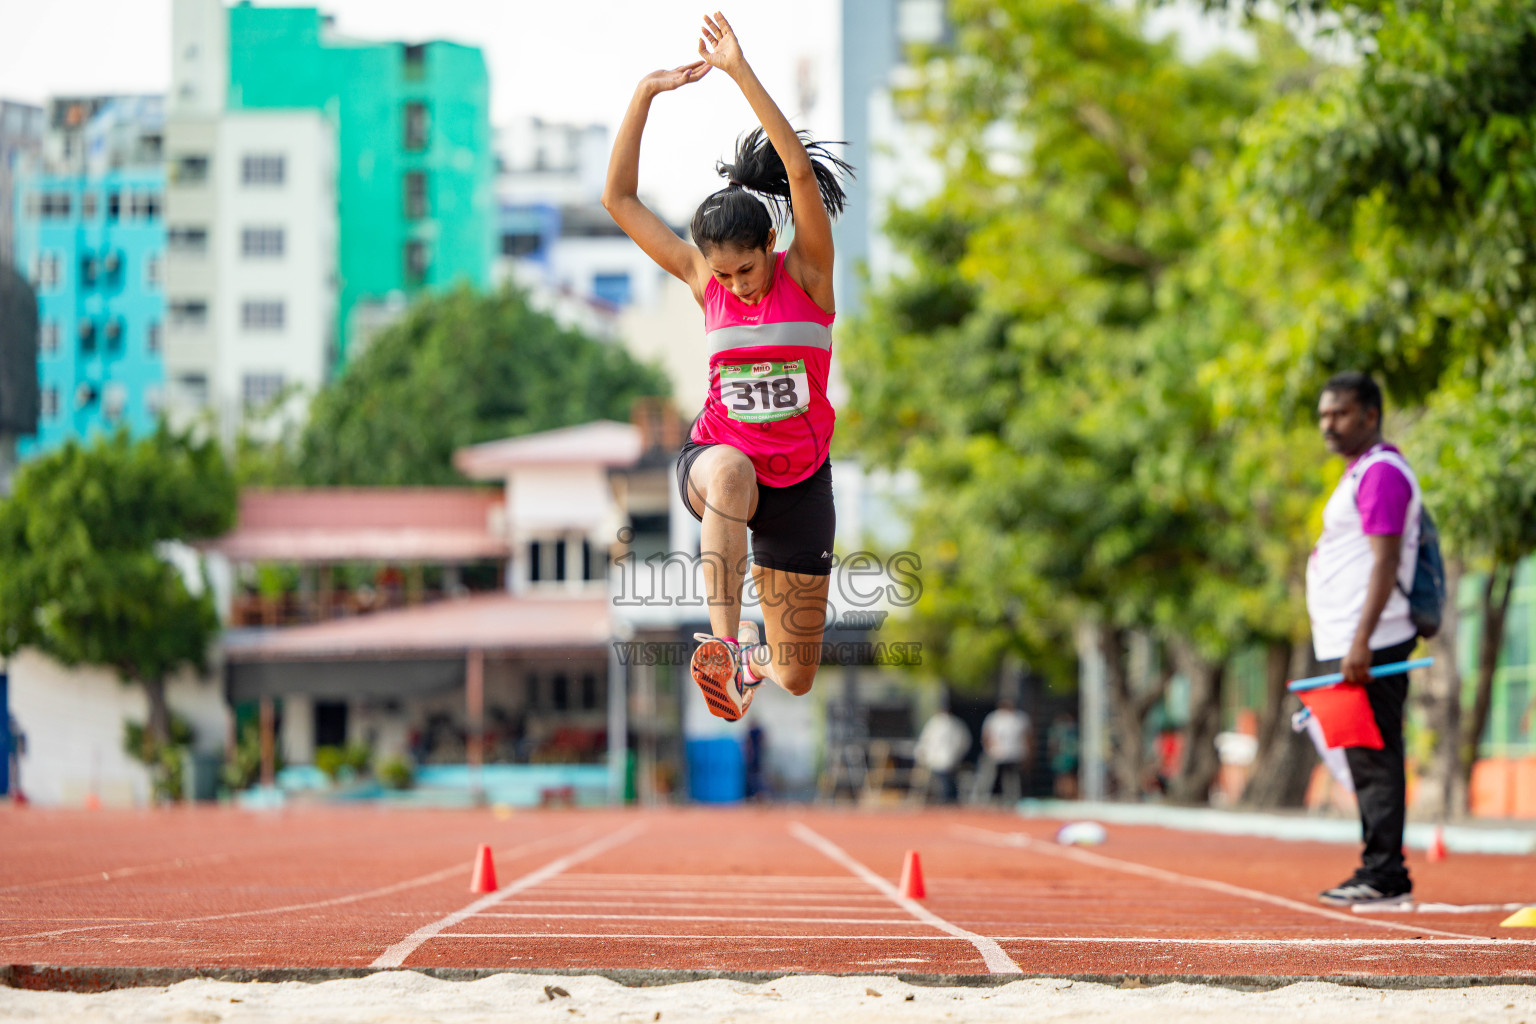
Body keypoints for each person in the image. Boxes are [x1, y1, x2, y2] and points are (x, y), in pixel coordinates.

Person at [603, 12, 853, 722]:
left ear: (769, 244)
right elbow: (618, 201)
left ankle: (757, 656)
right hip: (716, 463)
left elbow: (799, 170)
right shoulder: (702, 279)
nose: (738, 285)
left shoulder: (807, 274)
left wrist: (740, 70)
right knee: (734, 466)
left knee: (800, 677)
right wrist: (646, 93)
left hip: (800, 481)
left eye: (746, 269)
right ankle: (725, 646)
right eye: (725, 273)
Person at [1306, 371, 1423, 908]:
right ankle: (1378, 868)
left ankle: (1384, 875)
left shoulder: (1381, 473)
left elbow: (1385, 560)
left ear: (1370, 415)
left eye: (1340, 414)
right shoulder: (1359, 475)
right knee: (1361, 757)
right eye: (1324, 414)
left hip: (1369, 645)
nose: (1328, 424)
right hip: (1354, 641)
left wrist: (1360, 641)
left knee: (1374, 757)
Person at [972, 697, 1030, 805]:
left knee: (1012, 778)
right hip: (999, 753)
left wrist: (1027, 752)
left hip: (1013, 753)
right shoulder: (995, 718)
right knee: (994, 777)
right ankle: (992, 798)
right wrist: (989, 749)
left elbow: (1026, 737)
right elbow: (987, 736)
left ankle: (1012, 798)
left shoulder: (1019, 718)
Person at [913, 698, 971, 804]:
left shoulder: (942, 723)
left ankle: (947, 800)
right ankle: (946, 799)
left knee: (946, 781)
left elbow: (926, 739)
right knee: (942, 781)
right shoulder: (945, 723)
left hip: (945, 757)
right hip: (941, 757)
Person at [1047, 712, 1080, 799]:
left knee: (1065, 778)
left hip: (1064, 757)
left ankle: (1066, 795)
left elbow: (1052, 745)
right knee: (1063, 777)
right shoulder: (1071, 731)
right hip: (1064, 757)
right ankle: (1064, 795)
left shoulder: (1062, 731)